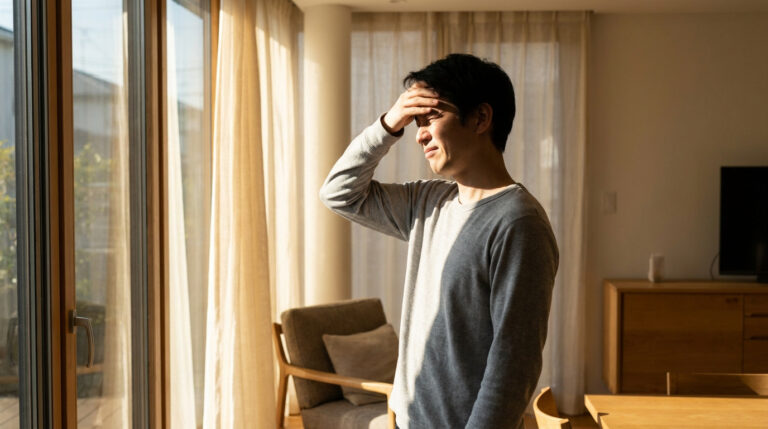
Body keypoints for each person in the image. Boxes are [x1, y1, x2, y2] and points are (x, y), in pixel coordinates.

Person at [319, 53, 559, 429]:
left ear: (480, 118)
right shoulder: (428, 203)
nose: (418, 134)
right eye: (414, 122)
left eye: (430, 118)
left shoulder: (519, 222)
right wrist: (387, 126)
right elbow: (338, 194)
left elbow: (514, 361)